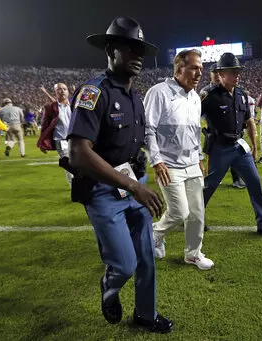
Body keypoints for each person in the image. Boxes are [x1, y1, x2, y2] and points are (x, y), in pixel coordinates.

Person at [66, 16, 172, 333]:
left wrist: (140, 180)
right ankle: (109, 287)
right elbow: (79, 153)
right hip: (102, 190)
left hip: (131, 185)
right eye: (130, 48)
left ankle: (145, 313)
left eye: (141, 49)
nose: (138, 56)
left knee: (146, 256)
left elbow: (132, 147)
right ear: (111, 50)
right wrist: (131, 185)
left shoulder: (135, 97)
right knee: (124, 265)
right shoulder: (93, 92)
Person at [201, 52, 262, 238]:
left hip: (239, 146)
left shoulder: (241, 94)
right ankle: (194, 219)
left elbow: (248, 120)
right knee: (209, 186)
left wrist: (254, 146)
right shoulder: (209, 96)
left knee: (254, 182)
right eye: (233, 72)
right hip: (220, 147)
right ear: (221, 74)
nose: (237, 75)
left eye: (238, 71)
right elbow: (192, 121)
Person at [144, 49, 213, 270]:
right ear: (178, 68)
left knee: (197, 213)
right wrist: (156, 161)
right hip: (168, 164)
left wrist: (199, 157)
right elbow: (148, 130)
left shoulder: (195, 97)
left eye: (201, 69)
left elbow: (194, 132)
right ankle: (155, 233)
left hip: (192, 163)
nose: (198, 73)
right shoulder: (158, 93)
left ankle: (193, 254)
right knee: (179, 212)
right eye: (194, 68)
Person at [200, 63, 245, 189]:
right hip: (214, 131)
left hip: (232, 130)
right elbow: (201, 112)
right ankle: (213, 179)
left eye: (217, 73)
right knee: (214, 157)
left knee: (235, 155)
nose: (216, 76)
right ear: (211, 75)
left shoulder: (231, 89)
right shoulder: (206, 92)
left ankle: (237, 179)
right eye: (213, 73)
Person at [37, 83, 74, 186]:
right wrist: (42, 142)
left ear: (68, 92)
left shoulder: (74, 105)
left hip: (75, 140)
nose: (62, 91)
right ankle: (74, 187)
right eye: (59, 89)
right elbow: (45, 125)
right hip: (61, 140)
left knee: (79, 164)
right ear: (55, 92)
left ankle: (81, 185)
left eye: (64, 89)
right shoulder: (50, 107)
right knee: (69, 165)